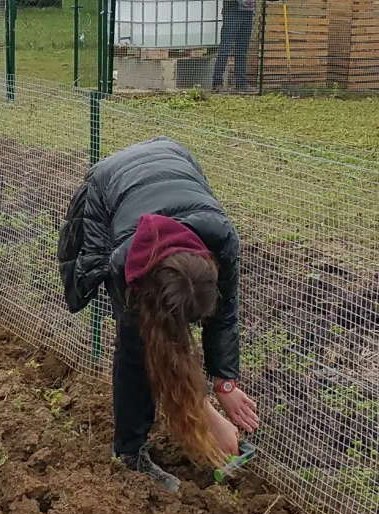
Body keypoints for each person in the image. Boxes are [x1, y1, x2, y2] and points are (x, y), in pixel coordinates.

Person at [57, 138, 261, 491]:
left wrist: (223, 382)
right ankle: (129, 453)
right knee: (137, 345)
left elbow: (224, 313)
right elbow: (159, 345)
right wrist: (209, 415)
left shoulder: (222, 237)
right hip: (108, 187)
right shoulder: (125, 264)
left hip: (173, 160)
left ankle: (160, 431)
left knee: (164, 333)